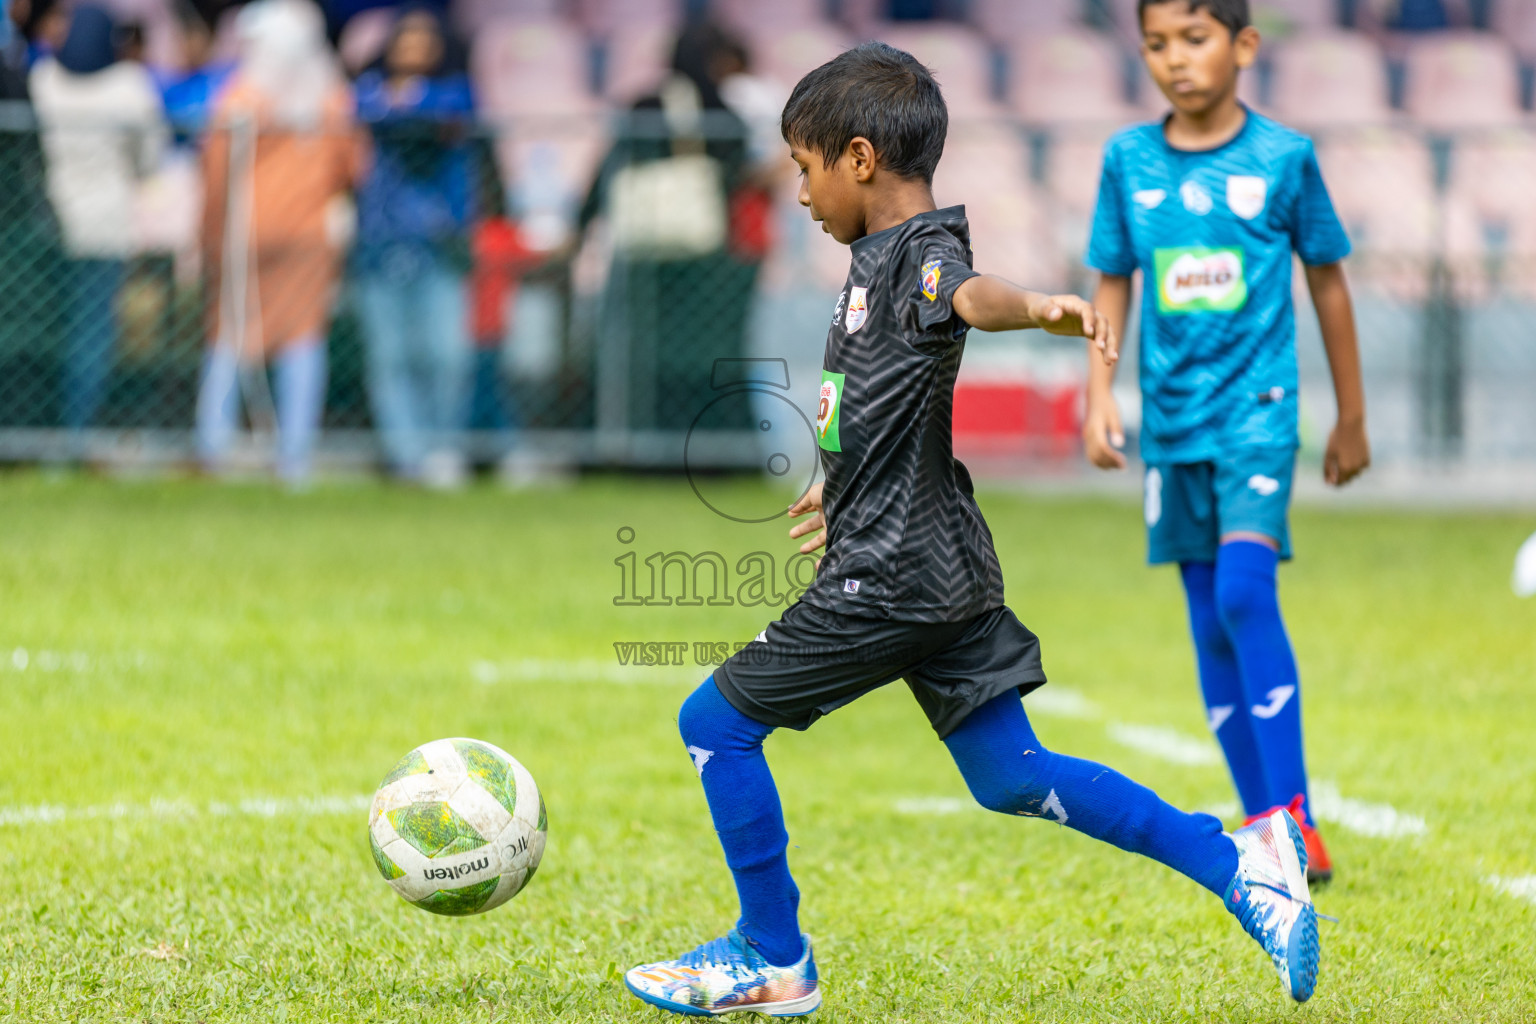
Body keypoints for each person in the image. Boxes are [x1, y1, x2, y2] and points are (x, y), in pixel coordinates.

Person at [621, 42, 1323, 1019]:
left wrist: (1038, 308)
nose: (799, 191)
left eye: (804, 167)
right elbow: (885, 396)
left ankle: (772, 954)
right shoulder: (872, 261)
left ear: (859, 158)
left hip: (895, 578)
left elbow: (968, 298)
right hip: (934, 565)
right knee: (1010, 775)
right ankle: (1240, 857)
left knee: (715, 724)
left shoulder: (917, 252)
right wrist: (845, 479)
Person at [1082, 0, 1369, 885]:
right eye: (1158, 44)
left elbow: (1327, 285)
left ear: (1244, 46)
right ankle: (1265, 825)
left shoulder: (1284, 157)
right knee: (1209, 622)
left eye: (1195, 39)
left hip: (1259, 415)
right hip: (1173, 426)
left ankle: (1296, 819)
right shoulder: (1128, 160)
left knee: (1246, 593)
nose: (1176, 60)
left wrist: (1351, 415)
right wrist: (1100, 394)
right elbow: (1112, 281)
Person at [196, 0, 359, 484]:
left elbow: (216, 172)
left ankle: (213, 447)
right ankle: (295, 457)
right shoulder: (332, 99)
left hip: (246, 233)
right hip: (310, 235)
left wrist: (207, 235)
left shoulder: (241, 98)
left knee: (230, 333)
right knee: (303, 337)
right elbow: (353, 167)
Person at [576, 18, 754, 432]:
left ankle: (643, 439)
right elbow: (732, 176)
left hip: (645, 251)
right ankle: (697, 441)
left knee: (639, 349)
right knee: (700, 352)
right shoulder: (721, 113)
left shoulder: (644, 105)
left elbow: (607, 171)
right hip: (700, 255)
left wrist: (583, 223)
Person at [29, 3, 167, 446]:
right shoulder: (130, 86)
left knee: (47, 328)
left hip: (50, 221)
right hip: (104, 225)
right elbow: (151, 157)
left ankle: (42, 428)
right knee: (90, 334)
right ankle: (75, 434)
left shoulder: (44, 79)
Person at [351, 4, 476, 487]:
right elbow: (366, 111)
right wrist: (393, 108)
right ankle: (406, 456)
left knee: (445, 354)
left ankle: (443, 450)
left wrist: (401, 107)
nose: (414, 50)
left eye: (426, 41)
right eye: (406, 40)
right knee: (390, 356)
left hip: (438, 244)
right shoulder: (368, 95)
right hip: (380, 243)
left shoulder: (456, 95)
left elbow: (433, 120)